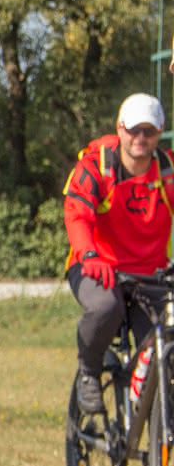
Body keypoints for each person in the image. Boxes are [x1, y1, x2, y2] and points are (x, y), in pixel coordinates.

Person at [63, 93, 174, 415]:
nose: (140, 138)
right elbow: (76, 214)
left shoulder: (167, 172)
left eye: (148, 132)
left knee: (161, 349)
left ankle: (159, 442)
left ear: (160, 132)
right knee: (105, 307)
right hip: (97, 267)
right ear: (120, 128)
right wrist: (89, 254)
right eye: (133, 130)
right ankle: (89, 373)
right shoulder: (97, 167)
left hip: (151, 275)